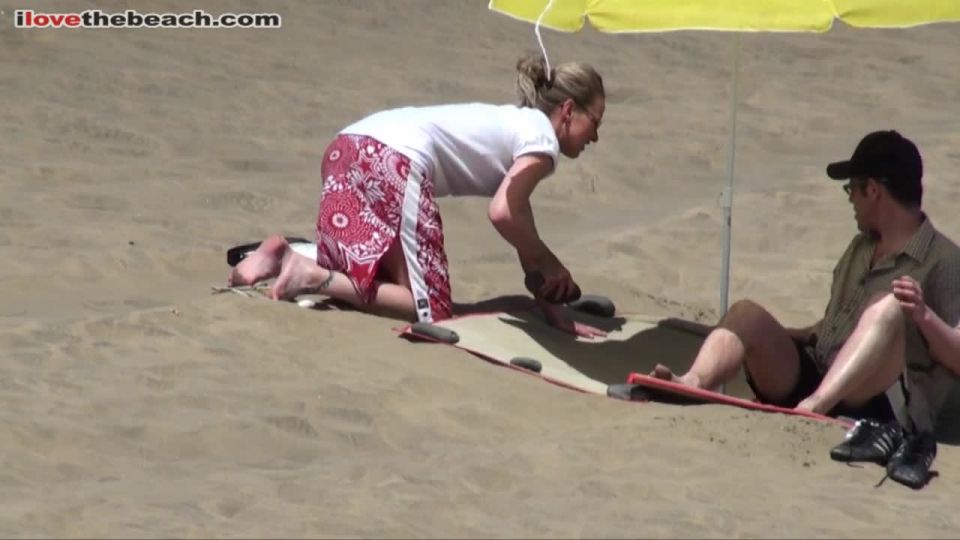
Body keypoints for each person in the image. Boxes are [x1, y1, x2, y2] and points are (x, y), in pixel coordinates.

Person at [228, 55, 607, 338]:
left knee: (373, 274)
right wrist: (551, 262)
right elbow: (504, 213)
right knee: (432, 311)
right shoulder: (542, 139)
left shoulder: (519, 126)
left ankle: (280, 257)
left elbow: (521, 226)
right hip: (396, 160)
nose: (595, 137)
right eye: (595, 122)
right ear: (569, 110)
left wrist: (552, 309)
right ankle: (309, 274)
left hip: (348, 146)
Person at [650, 130, 960, 437]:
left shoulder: (944, 261)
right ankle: (693, 382)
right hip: (822, 372)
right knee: (747, 314)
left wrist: (923, 316)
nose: (850, 198)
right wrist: (773, 335)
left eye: (851, 189)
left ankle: (815, 405)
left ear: (874, 190)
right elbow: (839, 327)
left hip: (880, 402)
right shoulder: (860, 247)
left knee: (888, 307)